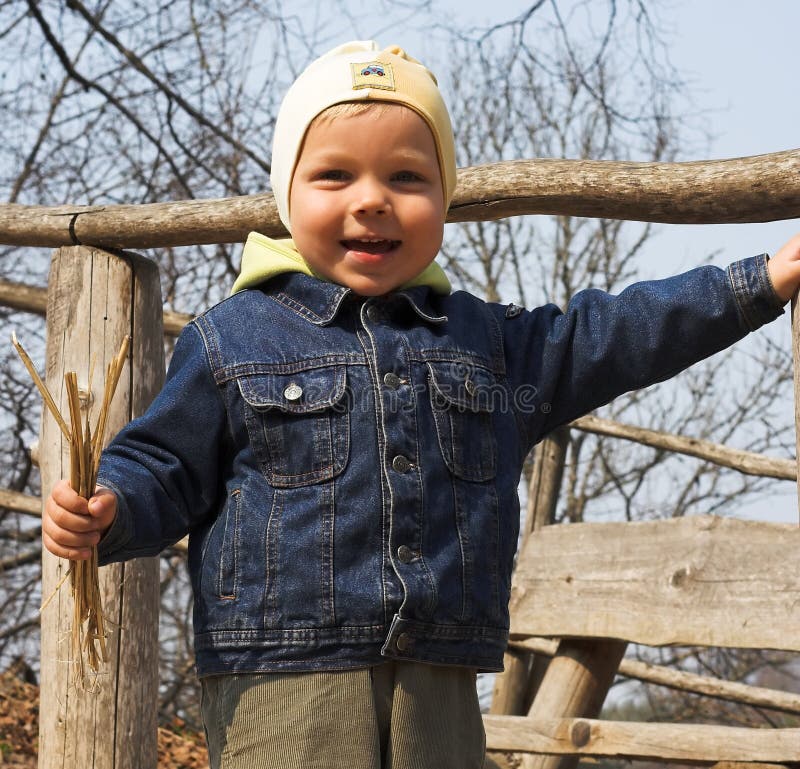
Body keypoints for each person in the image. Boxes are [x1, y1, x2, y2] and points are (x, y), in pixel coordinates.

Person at [43, 41, 800, 769]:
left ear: (445, 197)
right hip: (283, 682)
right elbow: (165, 463)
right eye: (334, 175)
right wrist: (111, 506)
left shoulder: (488, 345)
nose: (373, 199)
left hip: (438, 674)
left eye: (407, 177)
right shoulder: (231, 337)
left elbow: (615, 334)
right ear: (286, 194)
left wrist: (757, 282)